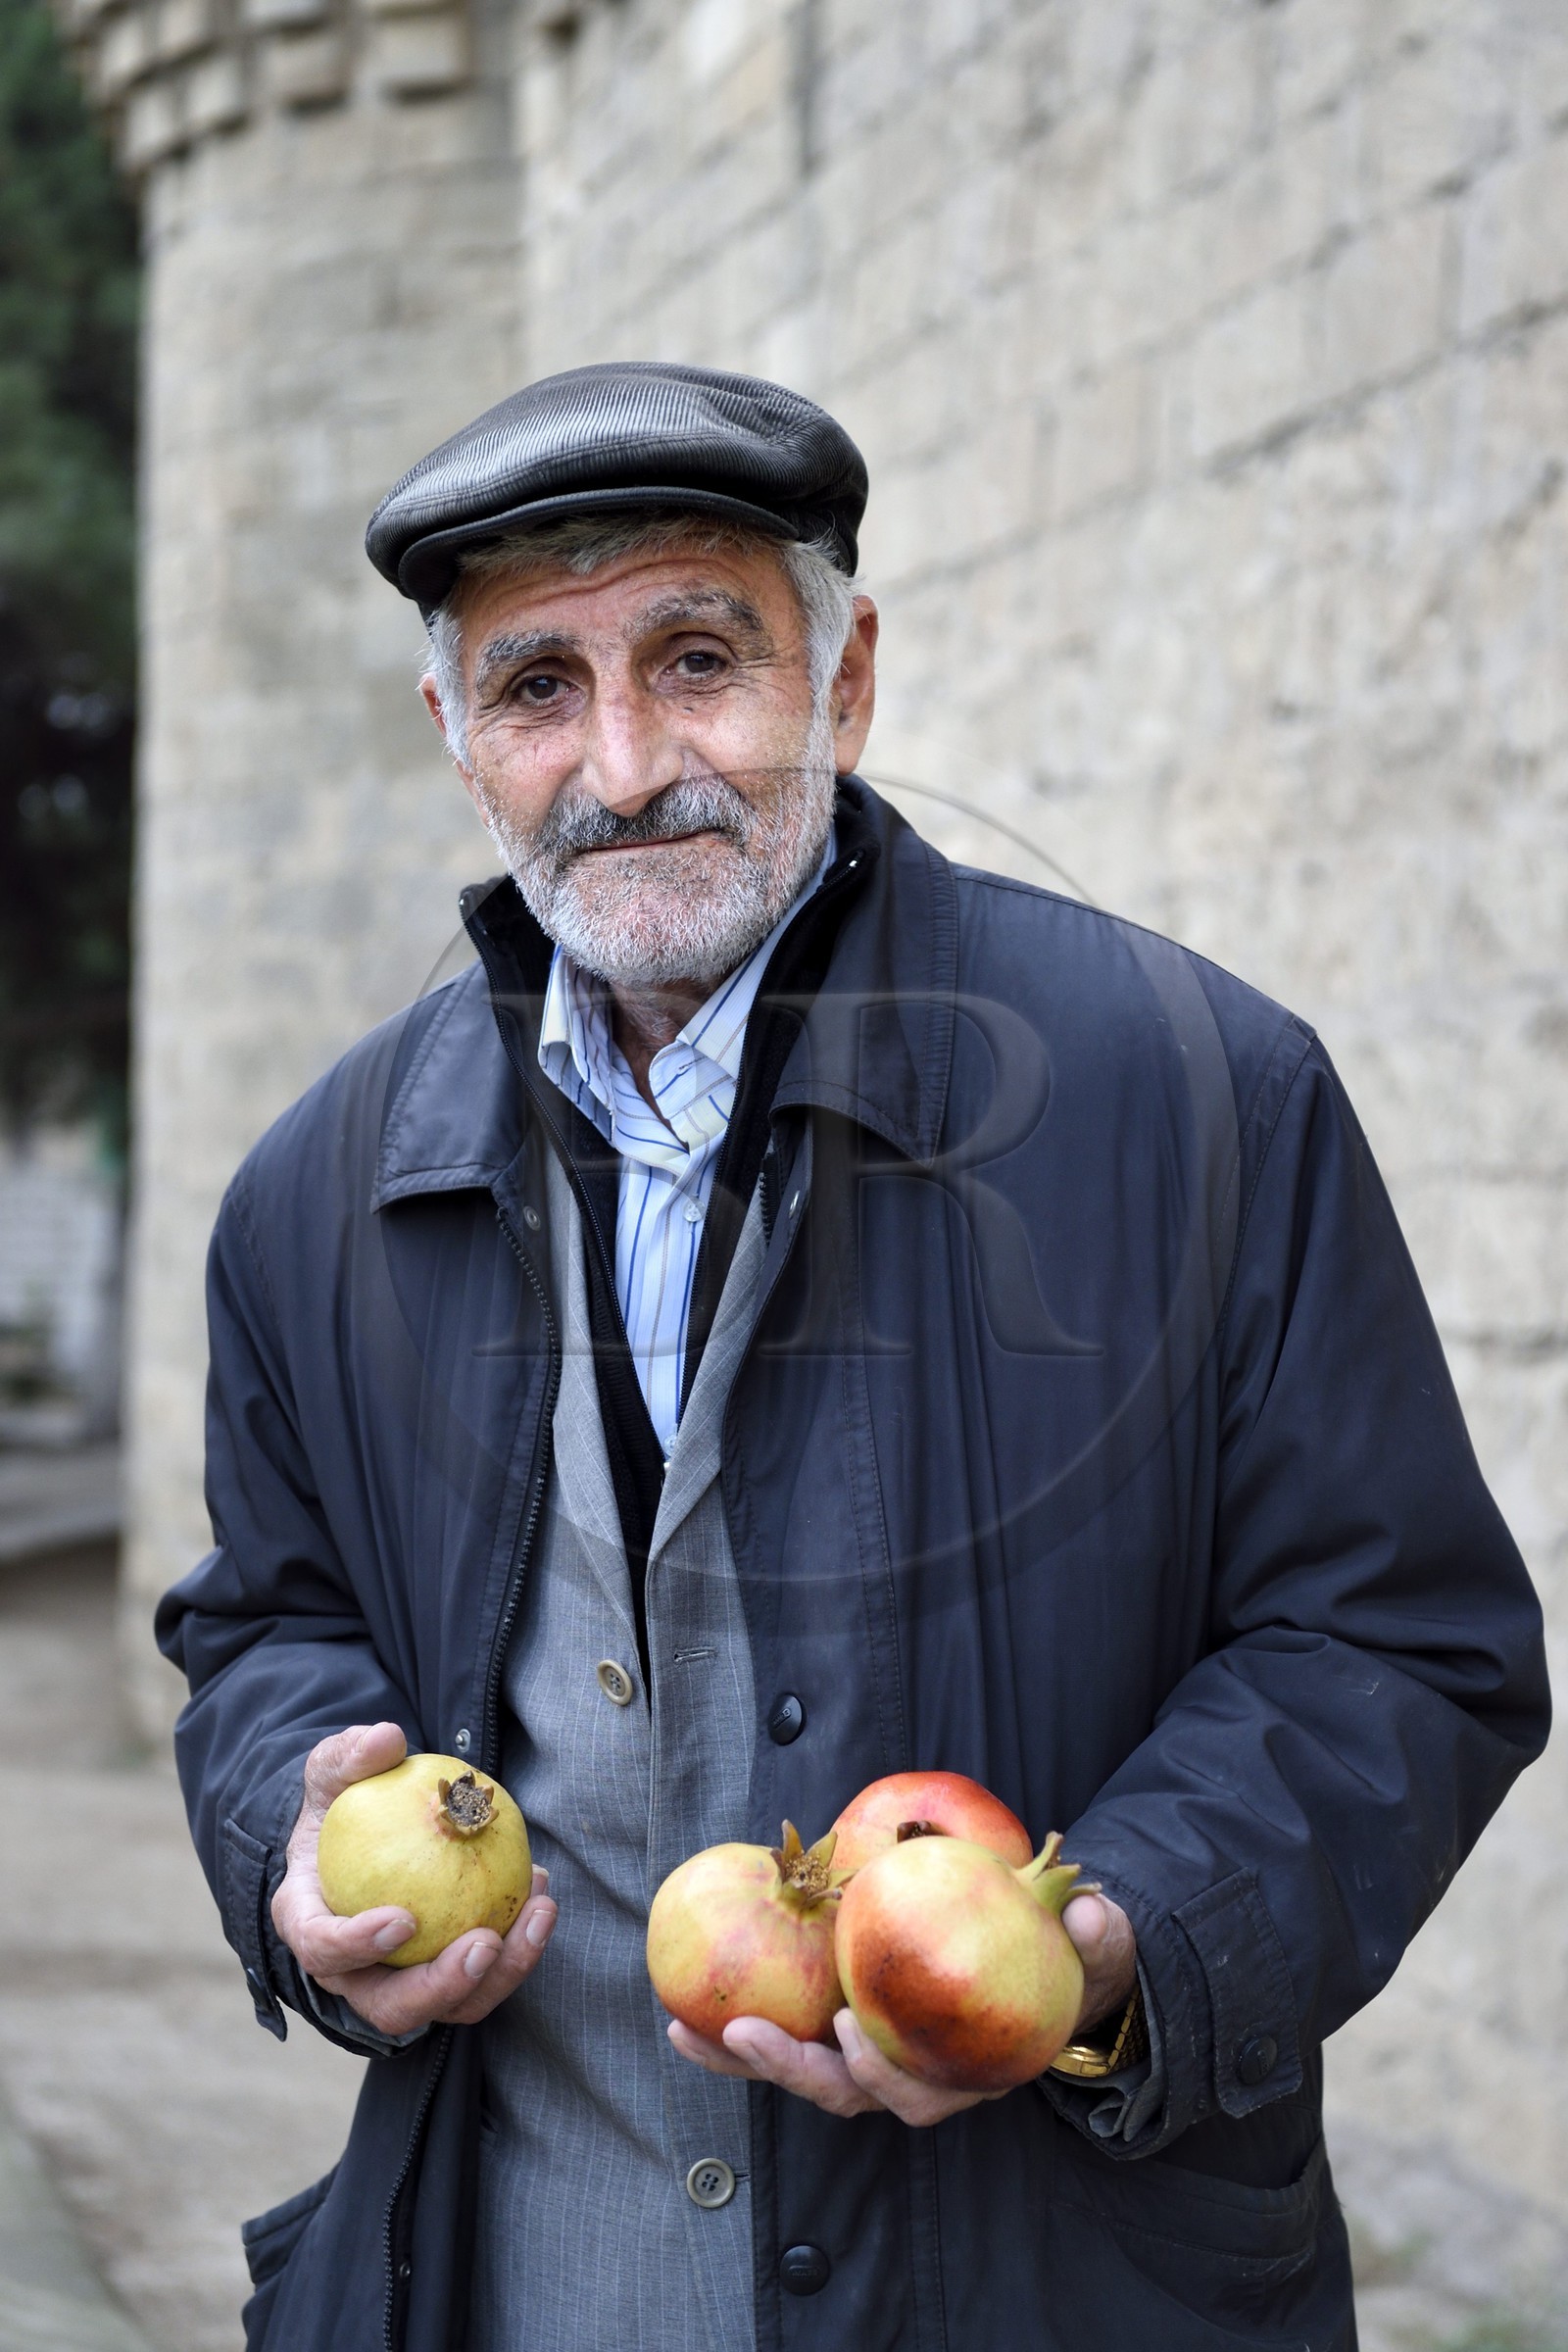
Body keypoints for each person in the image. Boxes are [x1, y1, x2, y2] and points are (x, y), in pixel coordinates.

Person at [157, 362, 1549, 2352]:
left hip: (1052, 2294)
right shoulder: (309, 1197)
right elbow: (266, 1629)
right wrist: (289, 1831)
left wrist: (1113, 1932)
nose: (625, 761)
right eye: (539, 686)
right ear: (455, 737)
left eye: (699, 656)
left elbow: (1395, 1649)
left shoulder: (1204, 1097)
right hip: (511, 2285)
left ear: (848, 675)